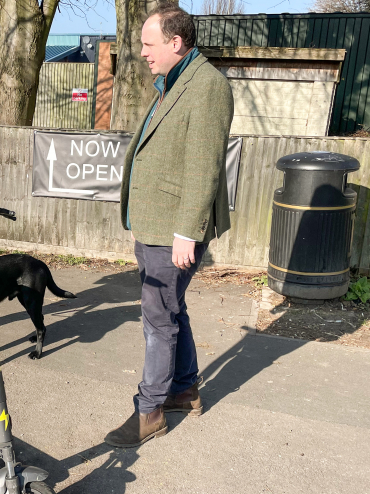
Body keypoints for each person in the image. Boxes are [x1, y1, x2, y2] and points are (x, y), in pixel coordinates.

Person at [105, 4, 234, 447]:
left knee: (158, 318)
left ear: (175, 42)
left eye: (148, 43)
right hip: (155, 225)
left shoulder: (208, 87)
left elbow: (204, 166)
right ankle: (185, 389)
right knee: (171, 310)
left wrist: (187, 232)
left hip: (172, 231)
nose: (142, 52)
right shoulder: (173, 83)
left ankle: (150, 411)